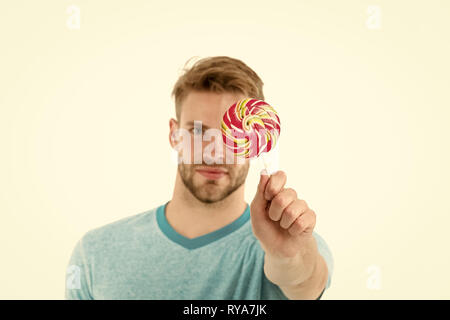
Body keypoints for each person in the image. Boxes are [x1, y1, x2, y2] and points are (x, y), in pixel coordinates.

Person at [65, 56, 334, 300]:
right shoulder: (95, 253)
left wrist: (287, 257)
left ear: (256, 140)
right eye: (198, 131)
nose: (215, 152)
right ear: (174, 134)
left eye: (233, 134)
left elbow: (303, 281)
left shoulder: (291, 241)